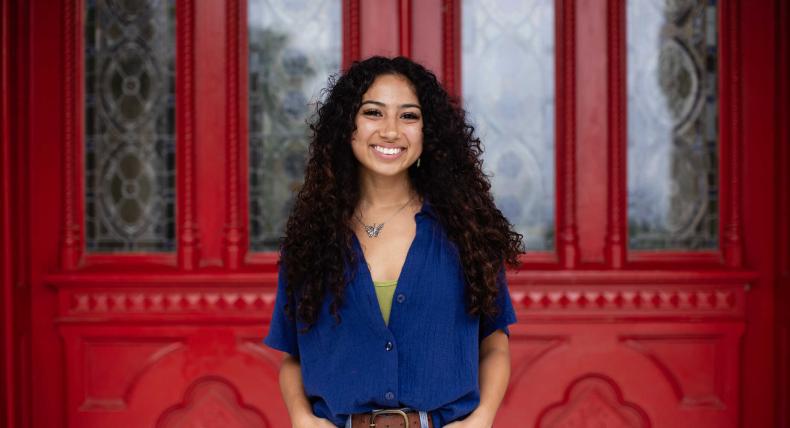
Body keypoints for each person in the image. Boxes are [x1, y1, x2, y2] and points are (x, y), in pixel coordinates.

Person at [264, 56, 524, 428]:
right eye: (373, 112)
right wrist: (302, 418)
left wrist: (480, 420)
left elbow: (495, 343)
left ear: (428, 131)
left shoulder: (467, 230)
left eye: (409, 116)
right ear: (347, 125)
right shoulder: (312, 237)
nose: (390, 131)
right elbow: (293, 355)